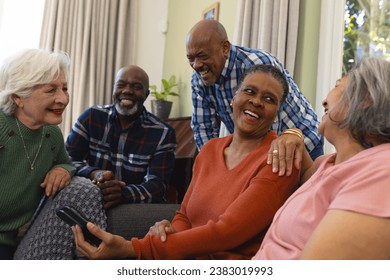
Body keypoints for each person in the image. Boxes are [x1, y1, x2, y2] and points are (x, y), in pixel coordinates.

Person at [72, 64, 300, 260]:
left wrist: (133, 248)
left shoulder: (280, 158)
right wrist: (169, 230)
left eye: (269, 99)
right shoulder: (210, 149)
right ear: (234, 99)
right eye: (249, 91)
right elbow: (185, 215)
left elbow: (227, 233)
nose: (257, 101)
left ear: (277, 113)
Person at [253, 57, 390, 259]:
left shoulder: (382, 171)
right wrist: (293, 134)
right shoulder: (328, 164)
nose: (325, 100)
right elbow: (308, 174)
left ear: (365, 99)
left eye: (337, 86)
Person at [0, 48, 105, 260]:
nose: (63, 99)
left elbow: (67, 162)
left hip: (11, 241)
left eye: (65, 88)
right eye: (51, 90)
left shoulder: (51, 134)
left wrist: (63, 169)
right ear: (18, 97)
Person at [186, 19, 323, 161]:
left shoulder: (257, 64)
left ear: (225, 48)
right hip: (264, 149)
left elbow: (273, 122)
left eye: (202, 56)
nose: (196, 65)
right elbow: (203, 127)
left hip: (305, 143)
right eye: (191, 58)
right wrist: (212, 165)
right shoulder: (199, 78)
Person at [65, 66, 177, 209]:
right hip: (91, 201)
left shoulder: (163, 133)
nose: (127, 91)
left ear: (146, 94)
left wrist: (124, 193)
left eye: (136, 87)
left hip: (134, 208)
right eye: (121, 85)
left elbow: (158, 185)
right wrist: (94, 173)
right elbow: (66, 160)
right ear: (113, 89)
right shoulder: (91, 117)